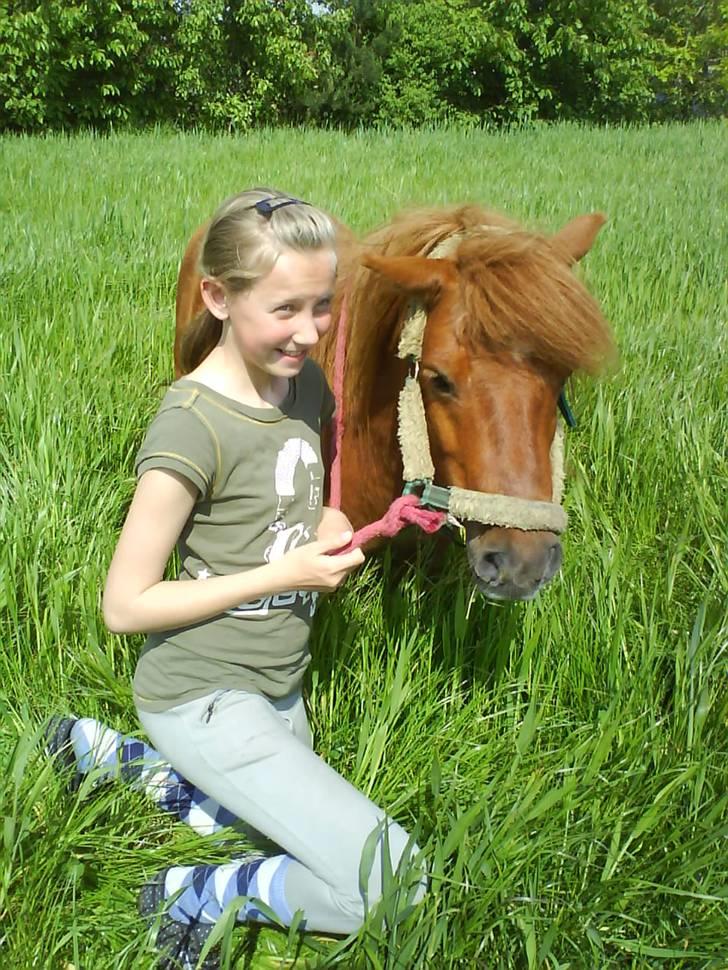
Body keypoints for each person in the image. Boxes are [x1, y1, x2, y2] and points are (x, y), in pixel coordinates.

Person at [46, 188, 425, 969]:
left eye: (322, 306)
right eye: (285, 309)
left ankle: (122, 762)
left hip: (279, 690)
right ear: (217, 297)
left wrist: (326, 522)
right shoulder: (192, 425)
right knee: (394, 883)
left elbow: (285, 500)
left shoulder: (304, 383)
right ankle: (195, 894)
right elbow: (124, 605)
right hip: (203, 696)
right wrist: (279, 574)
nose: (311, 331)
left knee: (270, 832)